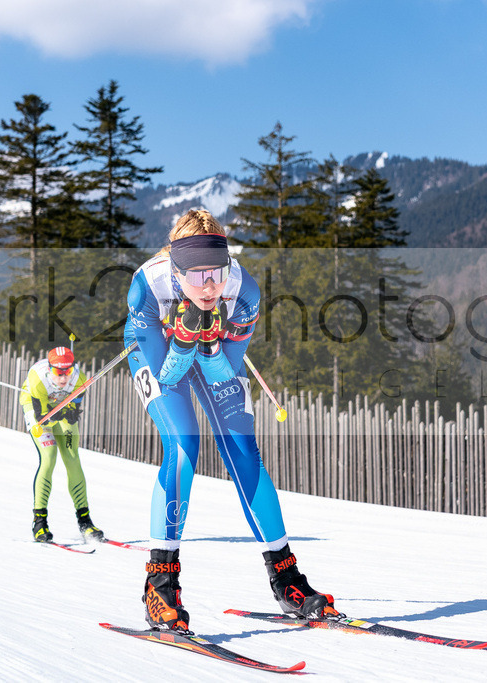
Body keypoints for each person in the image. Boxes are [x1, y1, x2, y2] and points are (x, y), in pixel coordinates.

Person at [123, 208, 339, 632]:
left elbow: (225, 370)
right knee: (184, 446)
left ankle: (287, 579)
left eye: (217, 273)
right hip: (155, 350)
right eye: (197, 275)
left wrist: (207, 342)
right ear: (175, 267)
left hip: (211, 351)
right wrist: (185, 337)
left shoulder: (243, 291)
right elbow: (167, 373)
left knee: (243, 449)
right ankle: (160, 584)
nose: (210, 286)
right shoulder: (146, 288)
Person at [19, 346, 104, 543]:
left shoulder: (80, 378)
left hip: (61, 406)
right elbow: (43, 417)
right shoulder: (38, 378)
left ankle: (85, 522)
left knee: (72, 457)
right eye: (59, 372)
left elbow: (73, 412)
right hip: (36, 409)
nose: (64, 377)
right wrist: (59, 413)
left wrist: (71, 412)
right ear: (50, 369)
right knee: (49, 457)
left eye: (68, 370)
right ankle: (39, 523)